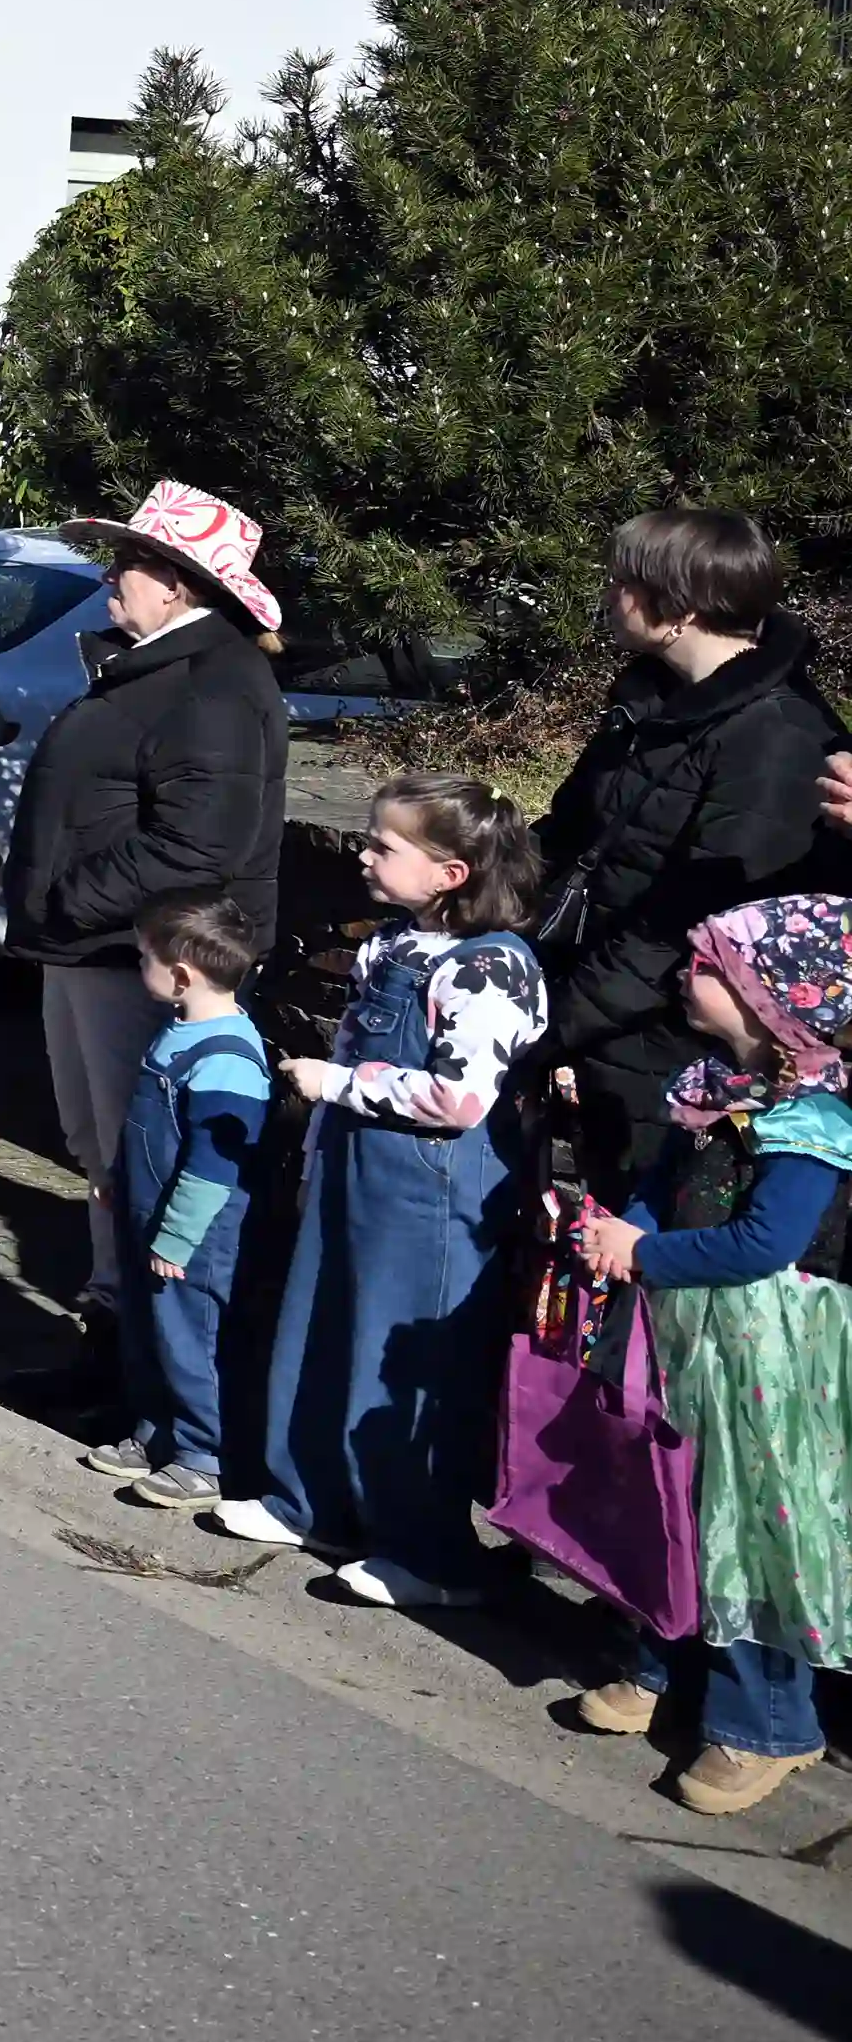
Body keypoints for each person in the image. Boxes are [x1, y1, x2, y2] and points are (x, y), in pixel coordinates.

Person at [212, 776, 546, 1607]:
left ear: (450, 873)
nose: (362, 853)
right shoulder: (396, 942)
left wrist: (339, 1083)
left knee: (406, 1352)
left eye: (382, 845)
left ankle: (424, 1546)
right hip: (354, 1166)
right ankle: (313, 1498)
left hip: (428, 1184)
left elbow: (459, 1098)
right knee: (322, 1320)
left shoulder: (492, 966)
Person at [563, 894, 852, 1816]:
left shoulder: (812, 1120)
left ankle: (766, 1720)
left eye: (708, 966)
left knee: (755, 1525)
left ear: (773, 1001)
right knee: (673, 1498)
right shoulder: (712, 1087)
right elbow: (660, 1184)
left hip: (766, 1353)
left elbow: (765, 1242)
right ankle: (660, 1662)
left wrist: (641, 1253)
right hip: (691, 1336)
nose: (684, 977)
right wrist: (620, 1229)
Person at [0, 480, 291, 1307]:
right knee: (100, 1143)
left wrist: (68, 899)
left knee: (141, 1151)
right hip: (94, 946)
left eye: (128, 561)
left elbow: (198, 843)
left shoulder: (212, 683)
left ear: (179, 583)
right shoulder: (164, 667)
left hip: (136, 953)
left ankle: (143, 1337)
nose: (110, 578)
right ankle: (111, 1303)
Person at [534, 507, 844, 1199]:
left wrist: (553, 1021)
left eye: (621, 580)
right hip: (601, 1029)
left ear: (678, 604)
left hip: (677, 1052)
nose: (609, 594)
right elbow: (567, 837)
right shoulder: (648, 701)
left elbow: (701, 925)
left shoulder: (777, 738)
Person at [87, 891, 270, 1510]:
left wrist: (178, 1235)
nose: (140, 967)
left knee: (190, 1339)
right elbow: (142, 1126)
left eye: (145, 958)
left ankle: (203, 1454)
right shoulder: (179, 1033)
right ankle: (153, 1429)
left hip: (191, 1233)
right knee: (147, 1329)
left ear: (182, 974)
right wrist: (117, 1177)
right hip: (147, 1212)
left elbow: (215, 1165)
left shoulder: (229, 1058)